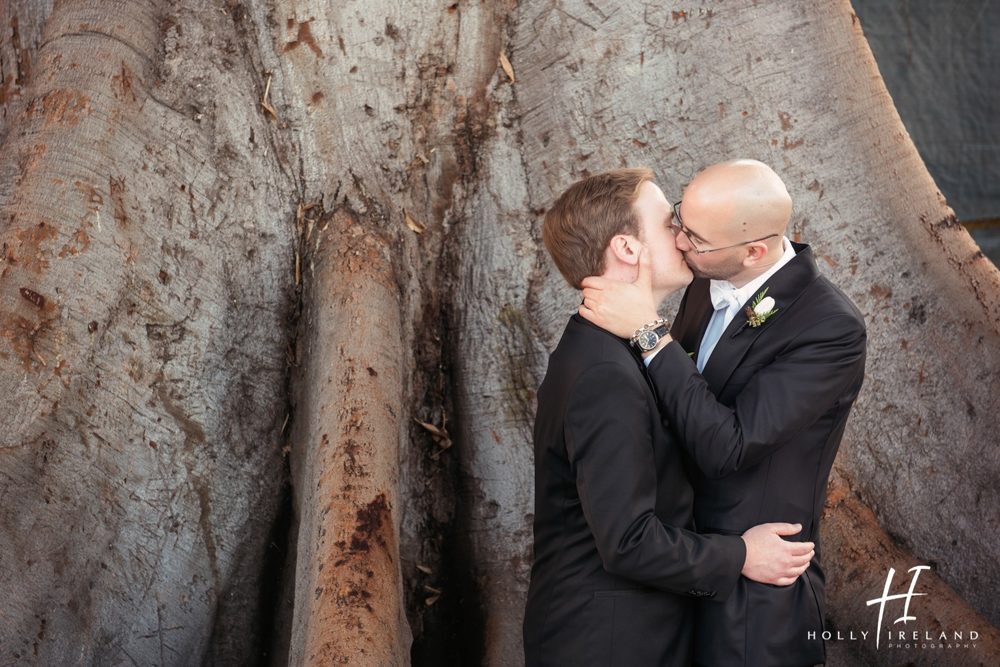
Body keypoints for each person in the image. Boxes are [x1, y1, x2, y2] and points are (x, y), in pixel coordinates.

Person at [579, 159, 867, 666]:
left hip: (758, 597)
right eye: (678, 221)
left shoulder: (830, 329)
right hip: (686, 569)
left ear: (755, 250)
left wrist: (650, 334)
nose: (679, 242)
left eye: (695, 238)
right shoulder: (705, 280)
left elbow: (727, 446)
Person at [524, 167, 816, 667]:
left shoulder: (625, 348)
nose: (682, 237)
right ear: (627, 249)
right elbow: (629, 541)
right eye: (668, 223)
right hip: (607, 643)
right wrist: (742, 555)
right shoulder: (603, 373)